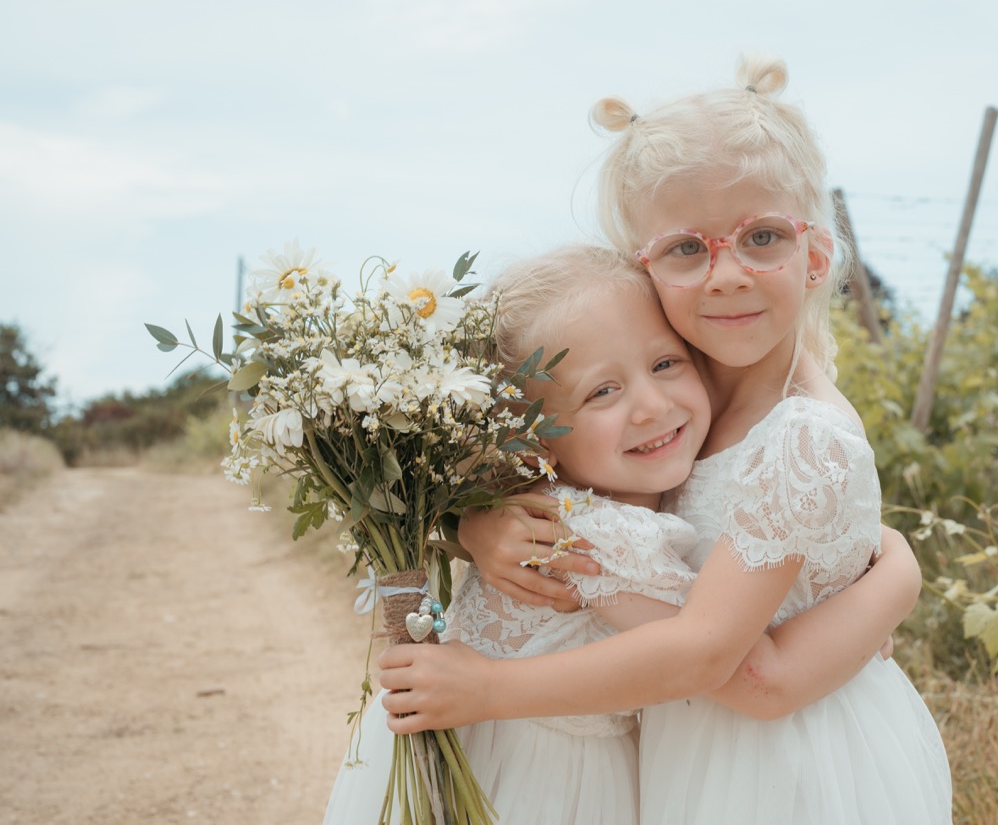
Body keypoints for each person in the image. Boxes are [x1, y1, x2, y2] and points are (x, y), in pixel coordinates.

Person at [380, 54, 952, 823]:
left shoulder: (805, 432)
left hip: (781, 763)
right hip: (681, 740)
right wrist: (475, 523)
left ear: (816, 256)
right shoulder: (682, 392)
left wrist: (899, 575)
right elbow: (581, 495)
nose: (726, 275)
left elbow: (749, 669)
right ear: (643, 272)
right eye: (688, 248)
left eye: (763, 238)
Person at [327, 243, 925, 824]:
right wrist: (893, 577)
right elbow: (723, 656)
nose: (649, 405)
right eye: (602, 391)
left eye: (666, 363)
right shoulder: (593, 537)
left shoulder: (560, 511)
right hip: (543, 782)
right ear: (531, 442)